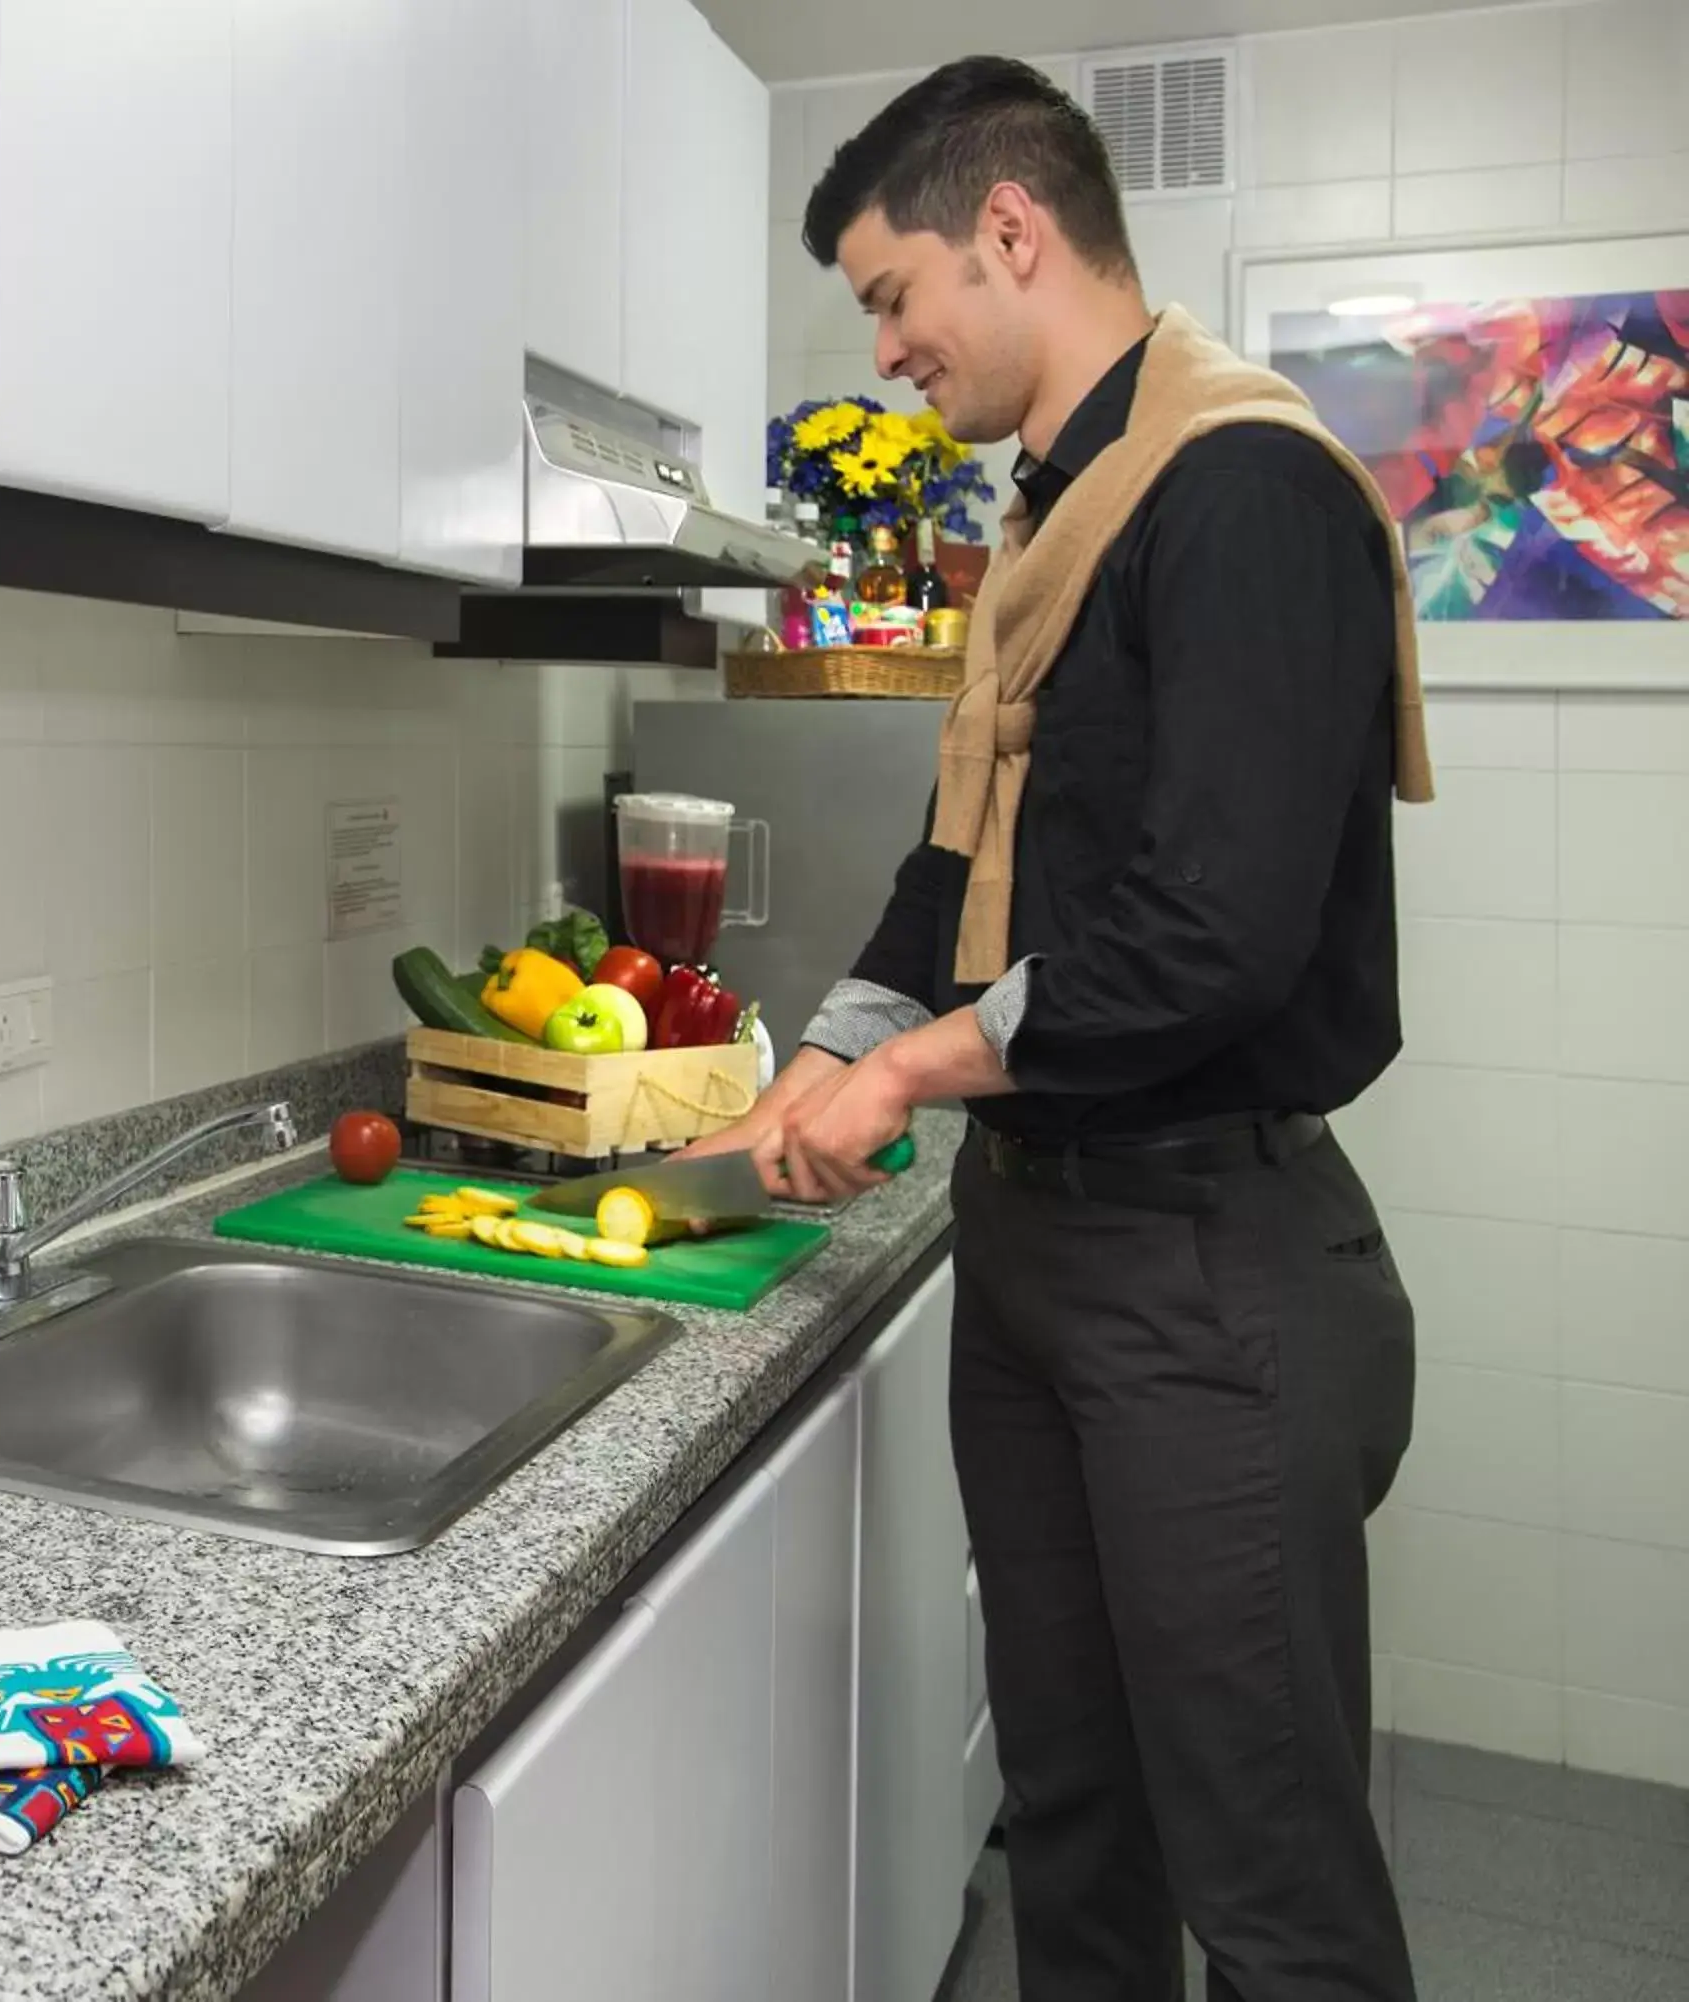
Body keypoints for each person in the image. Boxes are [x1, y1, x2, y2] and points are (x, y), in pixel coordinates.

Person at [694, 55, 1436, 2002]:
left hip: (1210, 1268)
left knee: (1267, 1880)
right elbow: (960, 867)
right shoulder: (1051, 522)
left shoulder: (1246, 489)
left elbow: (1218, 930)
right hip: (1039, 1242)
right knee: (1074, 1823)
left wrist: (912, 1071)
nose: (883, 353)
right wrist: (830, 1048)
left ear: (1009, 231)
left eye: (889, 295)